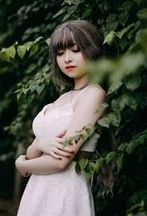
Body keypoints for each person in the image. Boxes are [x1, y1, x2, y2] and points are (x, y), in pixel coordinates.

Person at [15, 19, 106, 216]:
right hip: (37, 191)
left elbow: (61, 161)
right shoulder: (62, 98)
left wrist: (20, 164)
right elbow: (35, 152)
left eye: (75, 50)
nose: (67, 59)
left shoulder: (93, 94)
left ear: (92, 50)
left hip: (66, 191)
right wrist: (39, 144)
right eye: (60, 53)